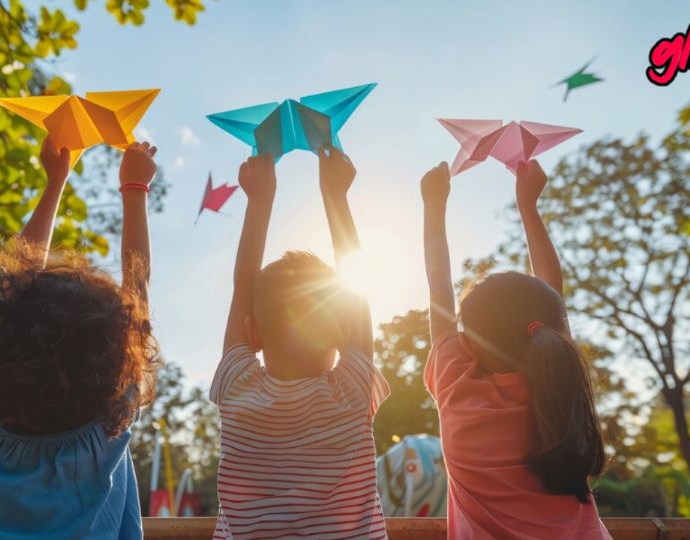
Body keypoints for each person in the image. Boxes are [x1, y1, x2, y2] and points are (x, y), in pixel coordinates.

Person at [0, 139, 160, 540]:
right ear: (114, 351)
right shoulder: (107, 425)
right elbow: (138, 296)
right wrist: (134, 190)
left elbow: (15, 286)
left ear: (9, 337)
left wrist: (55, 181)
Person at [420, 159, 611, 539]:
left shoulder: (457, 389)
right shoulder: (562, 389)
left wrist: (434, 205)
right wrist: (528, 206)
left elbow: (439, 288)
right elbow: (550, 296)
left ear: (469, 343)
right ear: (553, 330)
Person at [210, 148, 390, 539]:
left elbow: (243, 285)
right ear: (342, 329)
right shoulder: (352, 393)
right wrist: (335, 195)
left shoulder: (237, 388)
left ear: (252, 333)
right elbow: (357, 287)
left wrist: (259, 200)